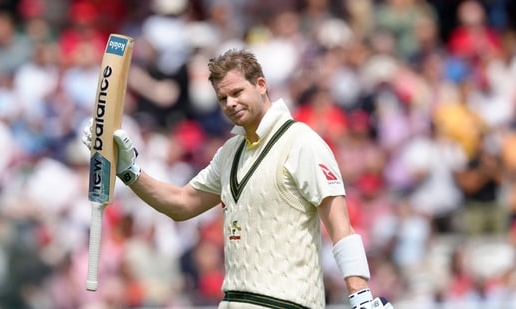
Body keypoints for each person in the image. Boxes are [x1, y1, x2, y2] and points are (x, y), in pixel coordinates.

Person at [83, 49, 393, 309]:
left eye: (237, 92)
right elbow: (180, 204)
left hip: (287, 303)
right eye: (222, 98)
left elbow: (341, 226)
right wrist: (128, 171)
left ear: (261, 85)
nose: (230, 103)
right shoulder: (229, 152)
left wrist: (361, 297)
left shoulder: (302, 142)